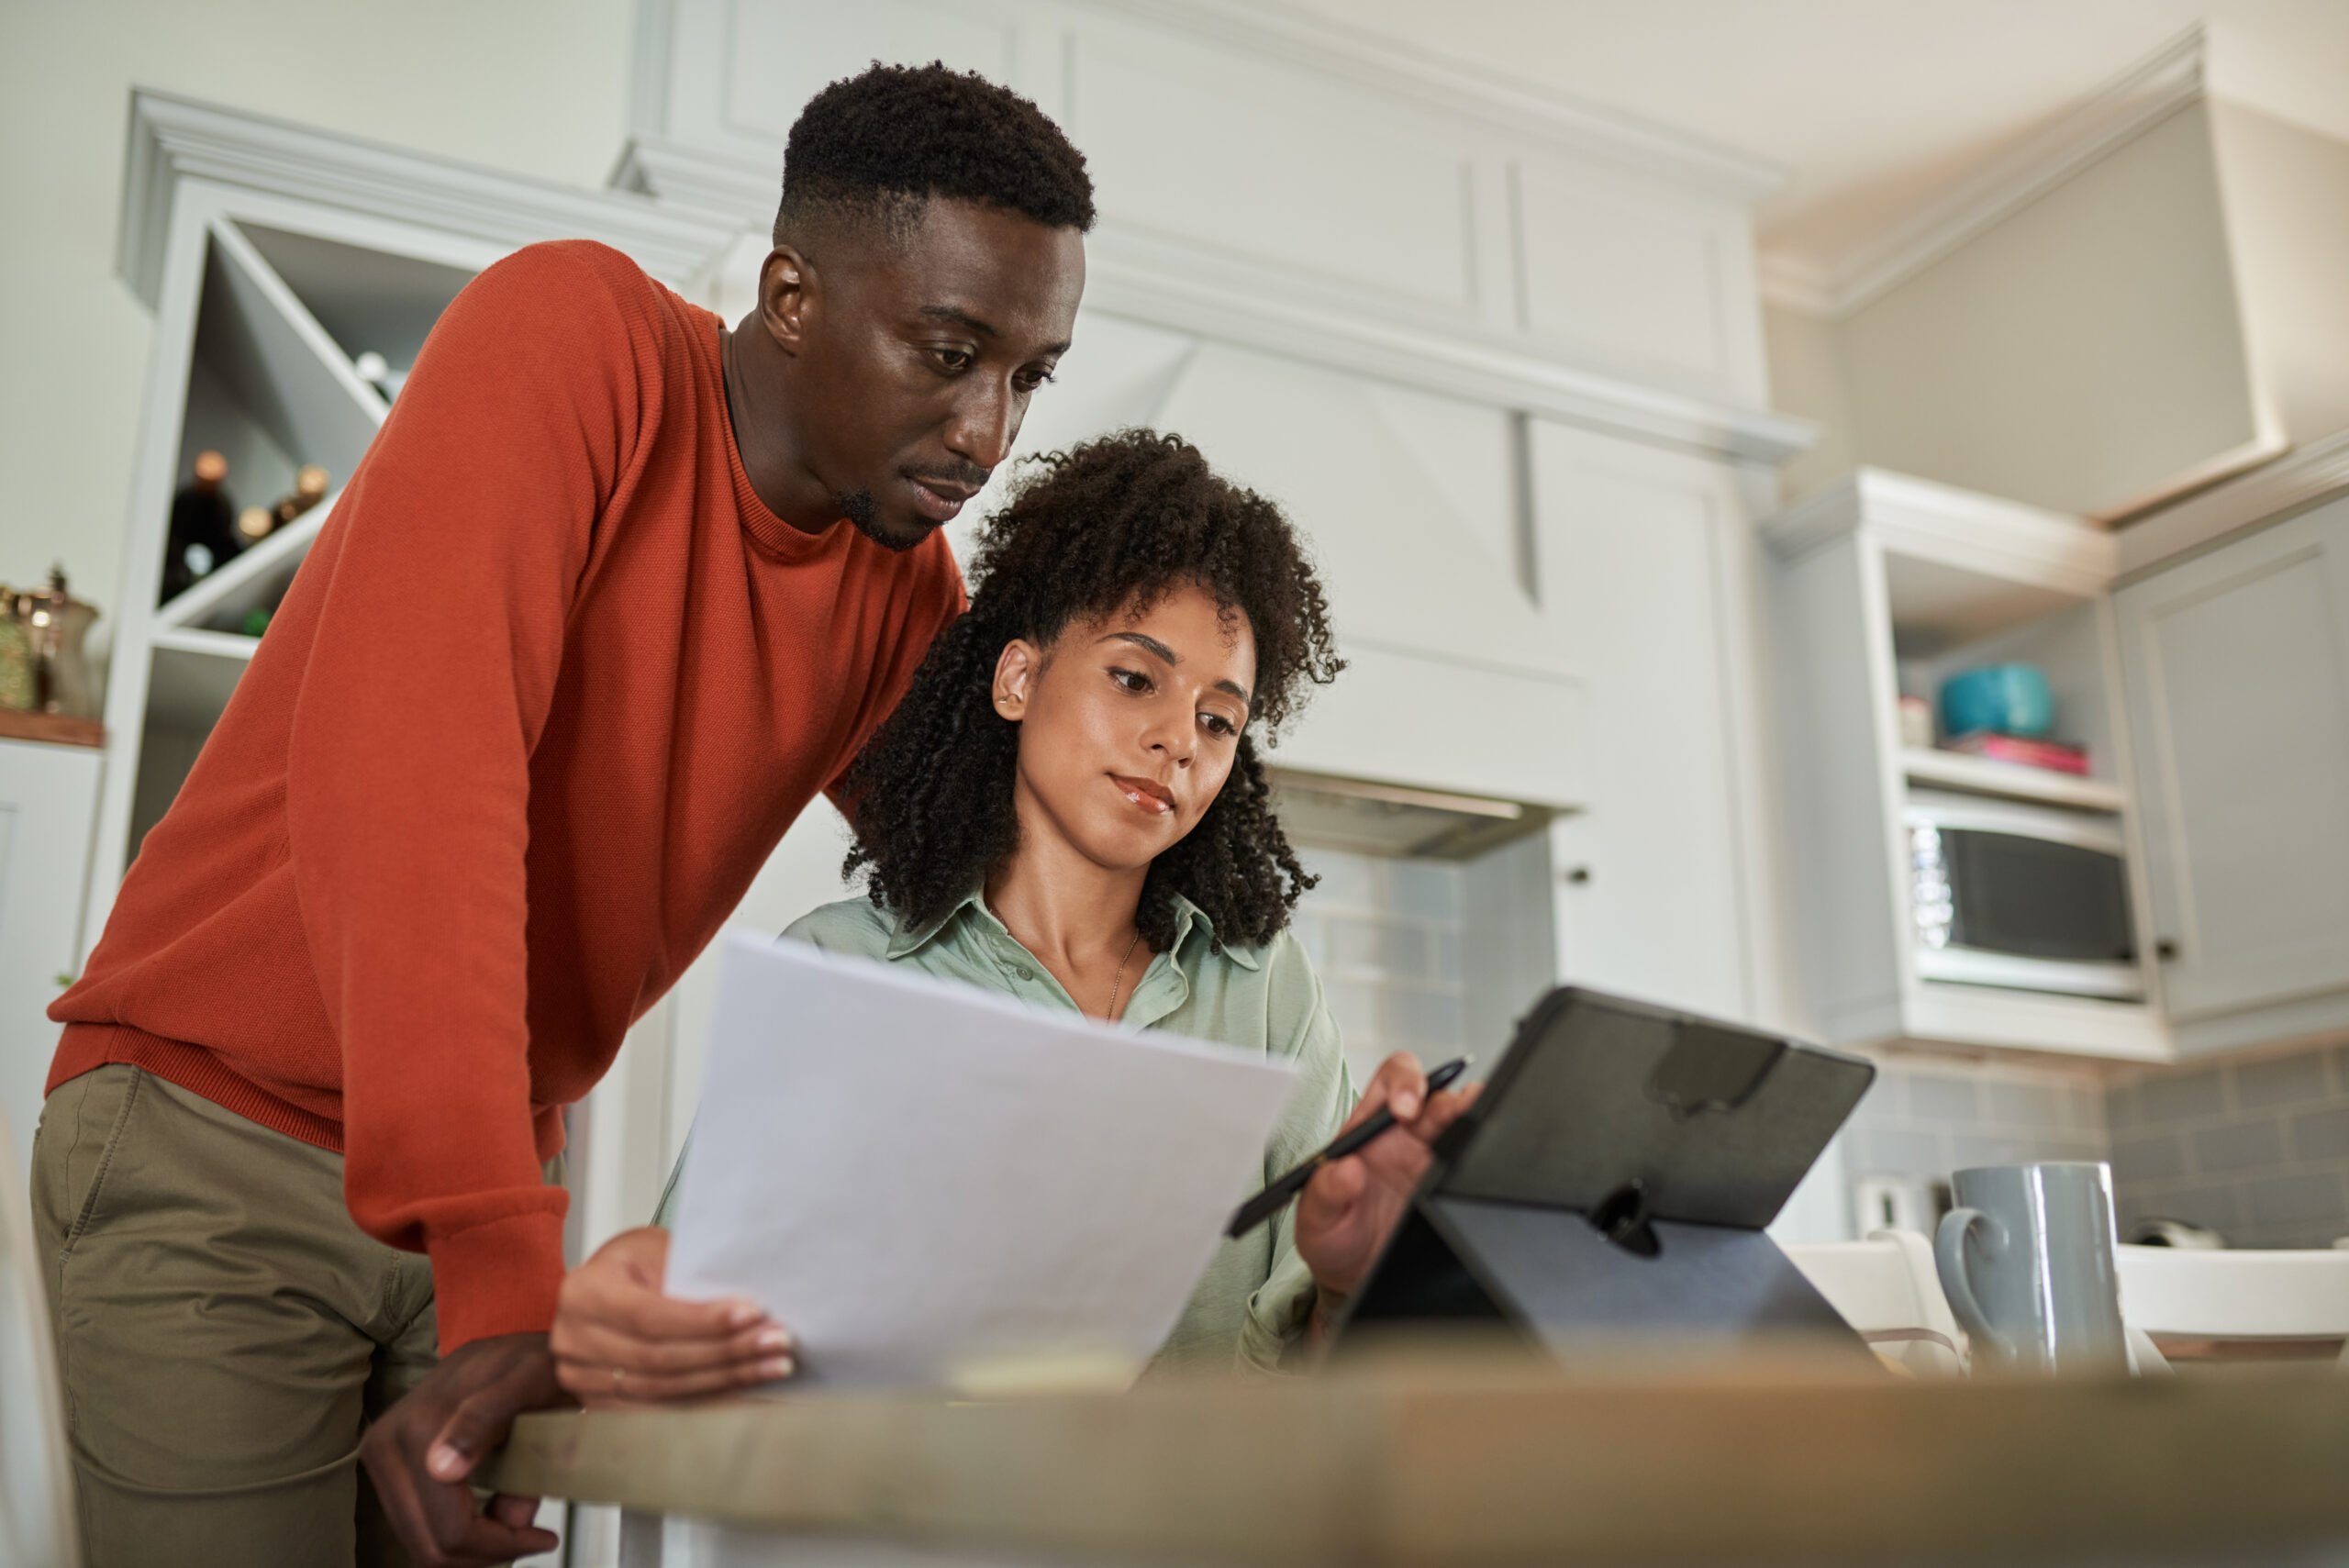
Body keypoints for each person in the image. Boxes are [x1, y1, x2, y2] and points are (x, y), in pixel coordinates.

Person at [31, 63, 1093, 1568]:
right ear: (790, 293)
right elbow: (423, 796)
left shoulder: (904, 591)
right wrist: (501, 1263)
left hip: (490, 1193)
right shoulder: (573, 337)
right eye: (948, 350)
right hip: (218, 1141)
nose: (988, 431)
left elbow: (1021, 895)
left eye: (1030, 375)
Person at [548, 429, 1480, 1396]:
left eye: (1217, 718)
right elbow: (698, 1339)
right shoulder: (845, 972)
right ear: (1018, 678)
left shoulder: (1267, 991)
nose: (1176, 740)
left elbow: (1310, 1400)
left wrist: (1347, 1284)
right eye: (1134, 678)